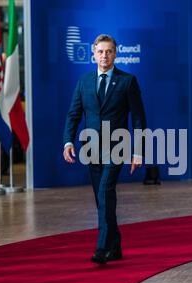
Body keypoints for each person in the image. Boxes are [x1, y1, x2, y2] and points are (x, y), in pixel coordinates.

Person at [63, 34, 147, 264]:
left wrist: (138, 151)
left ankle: (102, 248)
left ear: (115, 54)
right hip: (91, 148)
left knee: (105, 192)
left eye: (109, 51)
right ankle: (116, 245)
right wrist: (68, 141)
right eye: (100, 51)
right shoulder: (84, 81)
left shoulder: (127, 81)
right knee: (102, 200)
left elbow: (139, 119)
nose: (104, 56)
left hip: (117, 147)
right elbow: (74, 114)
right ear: (93, 53)